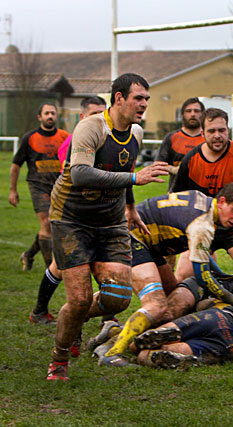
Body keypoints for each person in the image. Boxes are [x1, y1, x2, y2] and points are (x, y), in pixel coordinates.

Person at [45, 73, 170, 381]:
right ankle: (59, 360)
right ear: (119, 98)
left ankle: (73, 322)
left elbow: (125, 170)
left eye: (146, 99)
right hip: (71, 218)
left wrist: (129, 207)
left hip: (111, 220)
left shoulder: (136, 133)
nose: (144, 104)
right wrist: (134, 179)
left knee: (118, 298)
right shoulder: (91, 127)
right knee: (79, 299)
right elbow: (81, 175)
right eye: (138, 98)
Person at [98, 184, 233, 367]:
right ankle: (113, 352)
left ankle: (113, 333)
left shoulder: (202, 201)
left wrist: (224, 277)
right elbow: (202, 276)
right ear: (222, 202)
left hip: (146, 242)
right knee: (156, 304)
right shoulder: (202, 224)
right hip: (130, 239)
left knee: (174, 297)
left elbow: (202, 257)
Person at [29, 96, 107, 326]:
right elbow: (78, 178)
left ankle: (107, 319)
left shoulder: (107, 141)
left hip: (97, 213)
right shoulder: (72, 143)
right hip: (73, 213)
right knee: (62, 266)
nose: (100, 119)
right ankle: (40, 311)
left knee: (103, 263)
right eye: (94, 114)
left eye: (103, 113)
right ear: (82, 118)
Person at [172, 108, 233, 275]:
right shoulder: (191, 159)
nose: (217, 135)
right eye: (211, 131)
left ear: (228, 130)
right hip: (202, 225)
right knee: (182, 276)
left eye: (221, 130)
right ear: (202, 133)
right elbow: (175, 199)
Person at [10, 103, 69, 272]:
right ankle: (50, 269)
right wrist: (13, 190)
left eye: (53, 113)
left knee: (54, 225)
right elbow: (16, 165)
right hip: (38, 185)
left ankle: (28, 255)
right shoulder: (30, 138)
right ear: (40, 117)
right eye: (46, 113)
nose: (50, 116)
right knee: (46, 223)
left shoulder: (65, 137)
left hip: (59, 187)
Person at [155, 97, 205, 192]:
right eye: (188, 111)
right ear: (182, 114)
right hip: (176, 193)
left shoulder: (208, 139)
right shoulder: (171, 137)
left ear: (203, 115)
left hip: (202, 195)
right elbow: (158, 164)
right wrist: (174, 169)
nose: (193, 114)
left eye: (196, 111)